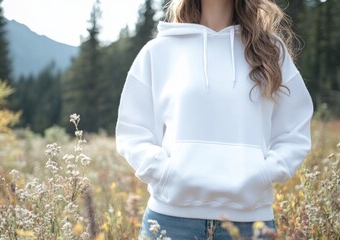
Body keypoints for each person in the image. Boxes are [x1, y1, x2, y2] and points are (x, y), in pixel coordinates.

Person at [115, 0, 313, 239]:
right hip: (170, 221)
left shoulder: (271, 51)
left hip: (250, 223)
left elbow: (294, 130)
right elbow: (133, 131)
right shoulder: (159, 51)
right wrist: (166, 173)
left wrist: (263, 173)